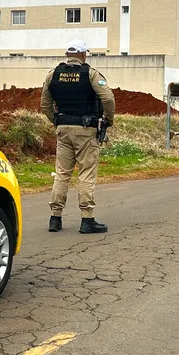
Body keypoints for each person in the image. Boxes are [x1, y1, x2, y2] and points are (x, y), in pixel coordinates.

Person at [40, 40, 116, 234]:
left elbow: (45, 104)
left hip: (63, 129)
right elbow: (107, 98)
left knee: (62, 173)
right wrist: (108, 119)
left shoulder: (53, 75)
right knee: (86, 173)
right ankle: (87, 219)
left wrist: (57, 121)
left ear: (67, 54)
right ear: (83, 55)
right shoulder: (90, 74)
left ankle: (55, 218)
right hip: (85, 129)